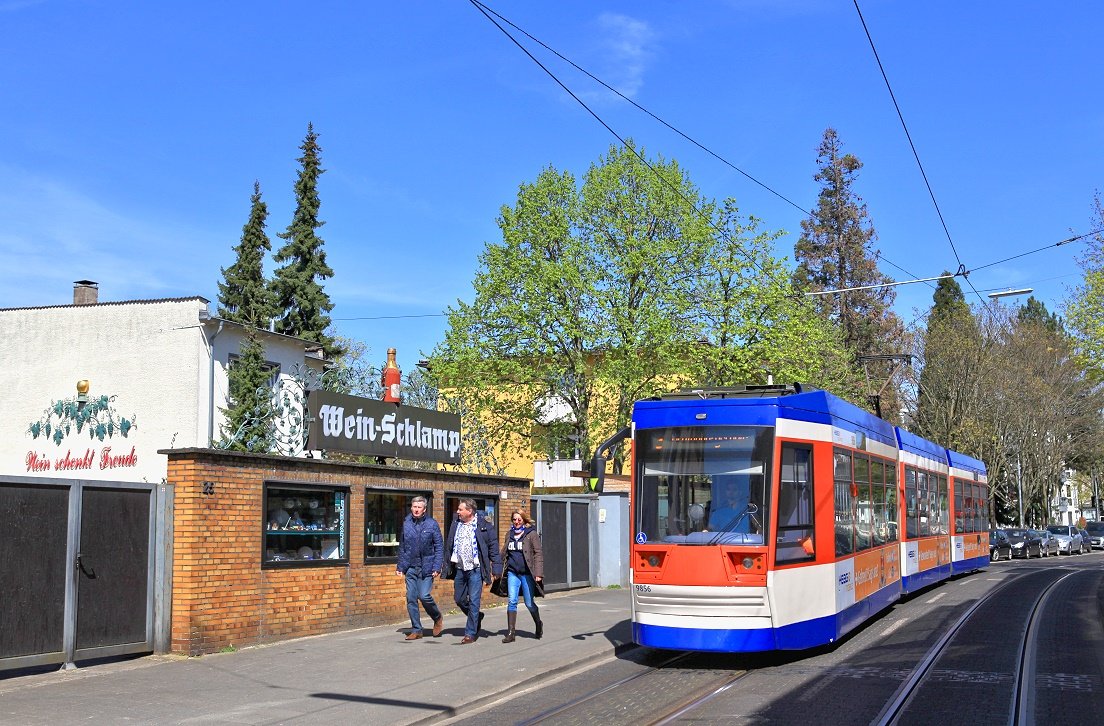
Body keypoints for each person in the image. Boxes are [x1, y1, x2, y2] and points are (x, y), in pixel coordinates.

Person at [444, 498, 502, 644]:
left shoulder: (484, 526)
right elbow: (449, 545)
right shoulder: (455, 524)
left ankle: (470, 633)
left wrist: (496, 568)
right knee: (459, 599)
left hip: (476, 569)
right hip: (460, 568)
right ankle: (477, 617)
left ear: (469, 511)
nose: (457, 511)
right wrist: (445, 564)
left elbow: (493, 549)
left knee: (474, 601)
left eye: (460, 509)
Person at [396, 496, 444, 640]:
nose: (416, 509)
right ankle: (417, 629)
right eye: (414, 507)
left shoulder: (432, 524)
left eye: (419, 507)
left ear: (424, 510)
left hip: (427, 567)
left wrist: (437, 566)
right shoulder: (407, 523)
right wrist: (400, 566)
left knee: (424, 595)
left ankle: (437, 617)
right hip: (411, 567)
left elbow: (439, 547)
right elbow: (403, 546)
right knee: (411, 597)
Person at [500, 510, 544, 643]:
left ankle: (538, 623)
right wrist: (496, 568)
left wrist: (538, 573)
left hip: (527, 574)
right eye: (514, 519)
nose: (517, 522)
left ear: (524, 520)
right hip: (513, 572)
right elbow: (504, 553)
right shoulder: (509, 534)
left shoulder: (531, 534)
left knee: (529, 603)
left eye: (519, 519)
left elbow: (538, 554)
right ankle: (511, 633)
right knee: (512, 601)